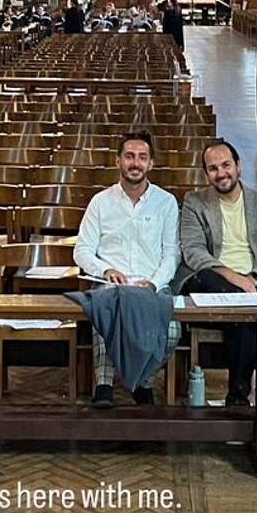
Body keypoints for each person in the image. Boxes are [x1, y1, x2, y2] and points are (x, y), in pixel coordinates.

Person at [173, 141, 257, 407]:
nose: (221, 173)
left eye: (226, 165)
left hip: (252, 285)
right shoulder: (194, 203)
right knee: (222, 286)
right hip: (205, 283)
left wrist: (252, 280)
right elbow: (194, 253)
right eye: (213, 168)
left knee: (245, 319)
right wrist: (236, 279)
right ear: (206, 174)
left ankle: (237, 400)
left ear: (238, 166)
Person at [73, 131, 181, 408]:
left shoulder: (166, 202)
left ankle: (142, 381)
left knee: (171, 331)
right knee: (105, 313)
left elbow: (171, 253)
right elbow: (82, 250)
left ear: (151, 163)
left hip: (151, 285)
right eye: (129, 156)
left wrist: (155, 282)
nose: (135, 163)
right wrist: (105, 269)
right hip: (111, 284)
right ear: (118, 161)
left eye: (142, 157)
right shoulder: (101, 201)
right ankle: (104, 385)